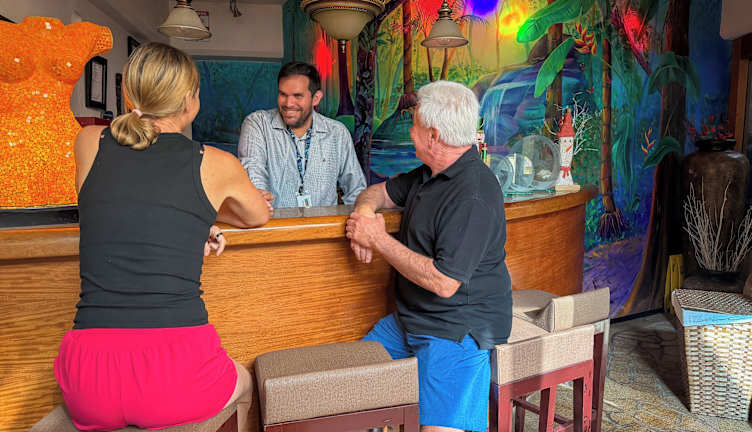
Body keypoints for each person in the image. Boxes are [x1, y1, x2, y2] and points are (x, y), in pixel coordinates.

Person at [55, 42, 271, 431]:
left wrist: (194, 222)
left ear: (128, 93)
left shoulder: (88, 142)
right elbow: (258, 215)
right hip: (177, 371)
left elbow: (119, 202)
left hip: (90, 381)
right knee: (245, 382)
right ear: (190, 101)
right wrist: (200, 218)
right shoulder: (216, 164)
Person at [345, 81, 513, 432]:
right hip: (410, 321)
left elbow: (445, 282)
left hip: (456, 329)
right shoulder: (430, 174)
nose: (410, 131)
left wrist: (377, 239)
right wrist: (363, 215)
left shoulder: (473, 194)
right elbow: (378, 192)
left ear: (433, 136)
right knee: (350, 391)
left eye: (414, 124)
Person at [238, 61, 366, 208]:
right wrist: (259, 198)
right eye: (283, 94)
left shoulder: (337, 133)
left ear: (316, 98)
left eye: (297, 96)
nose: (288, 103)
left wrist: (360, 215)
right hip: (273, 221)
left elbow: (356, 190)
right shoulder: (258, 124)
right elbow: (253, 173)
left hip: (324, 222)